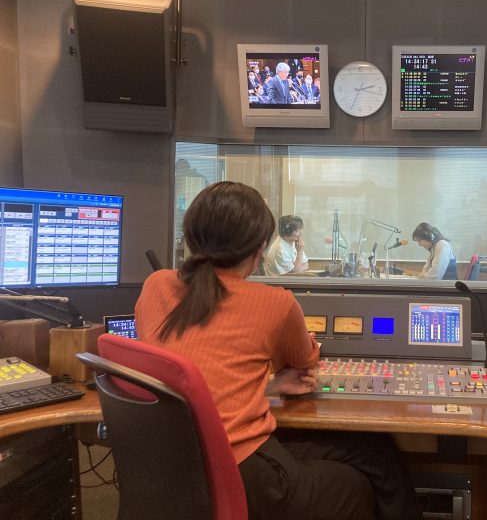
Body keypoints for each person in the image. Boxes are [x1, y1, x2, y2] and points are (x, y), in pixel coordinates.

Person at [135, 181, 422, 520]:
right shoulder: (274, 302)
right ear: (258, 249)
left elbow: (195, 382)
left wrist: (269, 386)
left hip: (172, 470)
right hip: (244, 475)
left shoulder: (155, 285)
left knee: (370, 449)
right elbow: (305, 361)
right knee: (361, 475)